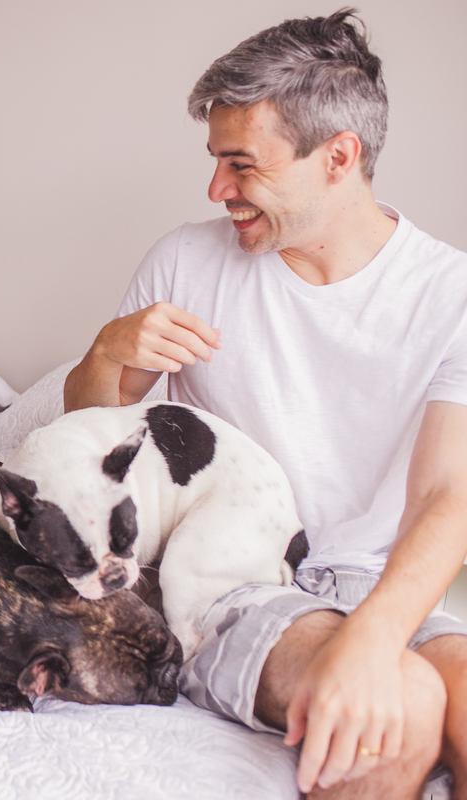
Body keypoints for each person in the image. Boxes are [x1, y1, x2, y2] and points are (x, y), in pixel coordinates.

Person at [63, 10, 467, 798]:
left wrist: (372, 637)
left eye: (241, 165)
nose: (218, 191)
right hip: (231, 578)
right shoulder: (184, 260)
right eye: (216, 163)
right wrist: (109, 351)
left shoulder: (450, 294)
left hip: (389, 582)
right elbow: (83, 442)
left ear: (338, 158)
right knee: (404, 707)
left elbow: (446, 495)